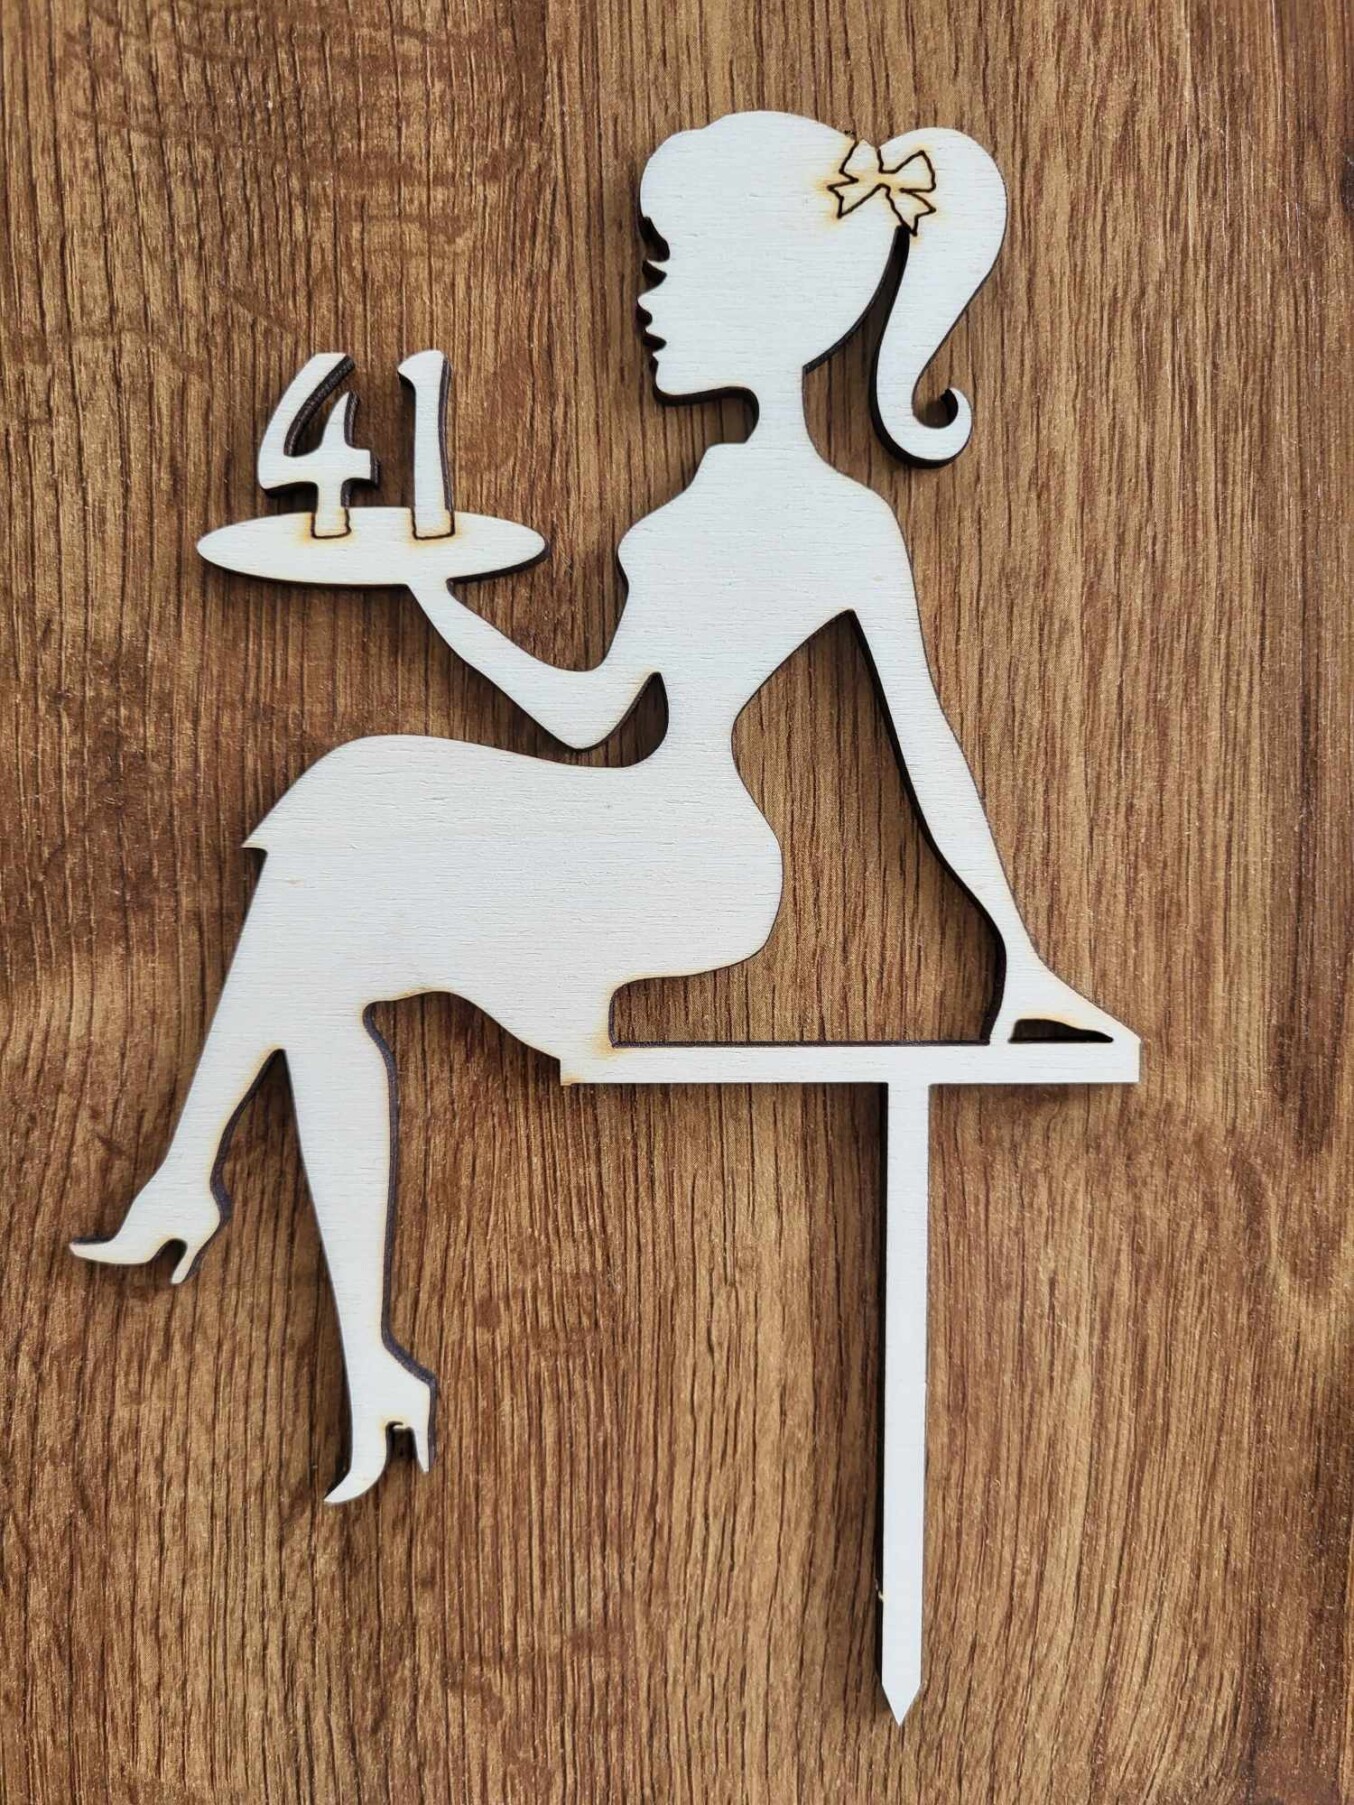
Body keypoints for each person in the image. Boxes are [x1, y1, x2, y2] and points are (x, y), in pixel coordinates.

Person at [73, 112, 1126, 1502]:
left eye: (672, 266)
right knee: (329, 919)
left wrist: (1020, 957)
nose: (645, 298)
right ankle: (364, 1357)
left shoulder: (842, 525)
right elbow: (585, 716)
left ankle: (188, 1178)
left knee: (349, 819)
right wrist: (437, 602)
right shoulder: (679, 514)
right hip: (628, 814)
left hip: (701, 858)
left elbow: (923, 743)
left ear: (774, 301)